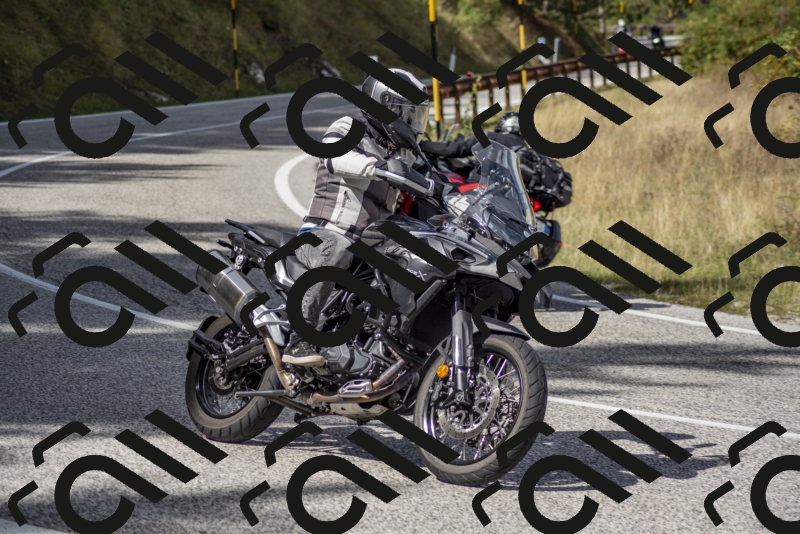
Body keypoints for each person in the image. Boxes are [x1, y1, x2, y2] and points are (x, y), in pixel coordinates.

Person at [284, 69, 448, 367]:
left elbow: (432, 178)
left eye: (417, 114)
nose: (414, 122)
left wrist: (455, 195)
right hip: (324, 234)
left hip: (370, 244)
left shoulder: (404, 152)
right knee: (337, 249)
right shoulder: (349, 127)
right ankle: (299, 338)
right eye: (408, 113)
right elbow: (333, 155)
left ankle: (391, 347)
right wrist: (379, 168)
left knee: (418, 260)